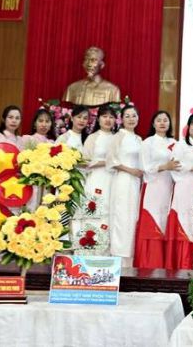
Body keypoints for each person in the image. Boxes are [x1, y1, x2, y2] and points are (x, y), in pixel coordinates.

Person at [134, 110, 178, 268]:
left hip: (169, 187)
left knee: (166, 222)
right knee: (152, 221)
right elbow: (144, 167)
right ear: (153, 124)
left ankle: (166, 264)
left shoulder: (175, 143)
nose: (162, 123)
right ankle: (149, 264)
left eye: (165, 120)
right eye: (158, 120)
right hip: (153, 186)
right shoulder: (148, 143)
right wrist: (164, 166)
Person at [74, 106, 117, 255]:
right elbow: (84, 161)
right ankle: (89, 250)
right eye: (105, 116)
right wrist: (106, 162)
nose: (108, 120)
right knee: (94, 212)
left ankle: (106, 254)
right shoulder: (93, 138)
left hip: (114, 181)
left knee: (110, 215)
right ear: (98, 119)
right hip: (96, 179)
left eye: (111, 117)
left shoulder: (118, 137)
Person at [166, 113, 193, 270]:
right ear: (188, 127)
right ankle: (181, 264)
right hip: (184, 186)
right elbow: (174, 165)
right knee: (184, 219)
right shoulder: (181, 145)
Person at [107, 105, 143, 267]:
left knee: (133, 216)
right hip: (123, 180)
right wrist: (131, 171)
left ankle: (130, 259)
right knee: (121, 216)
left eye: (134, 116)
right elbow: (112, 161)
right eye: (127, 116)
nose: (131, 119)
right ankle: (118, 258)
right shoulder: (118, 136)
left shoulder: (139, 139)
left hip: (136, 182)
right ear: (122, 119)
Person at [22, 108, 57, 210]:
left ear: (51, 125)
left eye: (47, 121)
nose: (44, 124)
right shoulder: (27, 139)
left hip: (46, 184)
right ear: (34, 123)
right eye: (40, 121)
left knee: (44, 211)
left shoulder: (52, 143)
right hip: (31, 182)